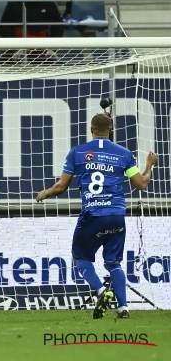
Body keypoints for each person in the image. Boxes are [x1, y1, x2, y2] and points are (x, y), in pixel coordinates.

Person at [36, 113, 158, 319]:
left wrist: (45, 193)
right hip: (116, 215)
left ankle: (101, 291)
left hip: (93, 214)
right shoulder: (124, 154)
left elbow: (61, 186)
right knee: (114, 263)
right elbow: (141, 184)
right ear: (111, 130)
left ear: (91, 130)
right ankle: (124, 308)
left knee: (81, 257)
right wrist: (149, 165)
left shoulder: (77, 152)